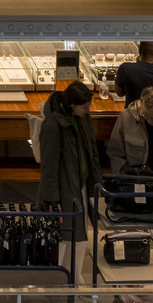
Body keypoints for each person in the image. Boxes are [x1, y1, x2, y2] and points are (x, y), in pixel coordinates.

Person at [37, 79, 102, 215]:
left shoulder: (82, 116)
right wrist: (52, 200)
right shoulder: (52, 126)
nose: (88, 110)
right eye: (85, 107)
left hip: (81, 183)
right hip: (65, 187)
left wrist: (97, 179)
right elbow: (49, 166)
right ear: (72, 104)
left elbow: (92, 149)